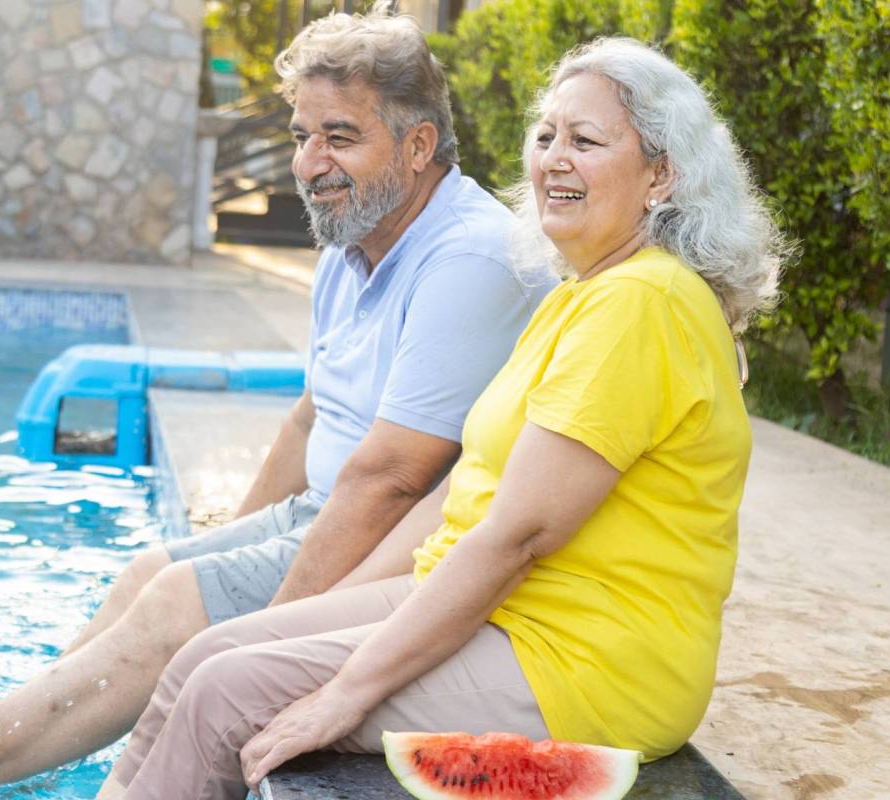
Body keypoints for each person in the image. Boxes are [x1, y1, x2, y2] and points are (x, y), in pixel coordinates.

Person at [0, 13, 551, 800]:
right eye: (301, 135)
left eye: (339, 137)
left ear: (418, 146)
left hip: (397, 545)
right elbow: (313, 415)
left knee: (178, 600)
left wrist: (249, 640)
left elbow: (393, 479)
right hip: (324, 510)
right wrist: (219, 548)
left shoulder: (468, 258)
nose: (310, 163)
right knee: (154, 569)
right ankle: (14, 756)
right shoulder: (358, 235)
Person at [93, 36, 787, 799]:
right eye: (547, 135)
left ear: (662, 174)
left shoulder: (642, 304)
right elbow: (465, 502)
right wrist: (322, 613)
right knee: (206, 656)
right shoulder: (584, 292)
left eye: (586, 141)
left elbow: (517, 534)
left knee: (227, 691)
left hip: (581, 658)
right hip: (501, 609)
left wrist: (348, 688)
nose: (555, 157)